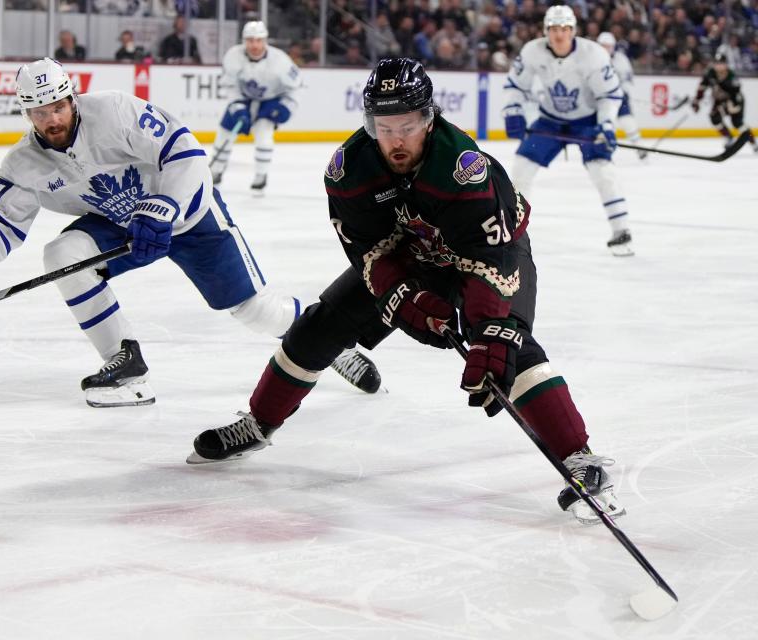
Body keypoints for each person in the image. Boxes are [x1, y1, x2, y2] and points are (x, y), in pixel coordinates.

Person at [187, 57, 626, 526]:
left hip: (488, 257)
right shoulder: (348, 171)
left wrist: (491, 325)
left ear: (429, 118)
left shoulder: (464, 167)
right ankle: (258, 423)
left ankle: (581, 460)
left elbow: (491, 258)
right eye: (384, 125)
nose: (396, 138)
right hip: (413, 256)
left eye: (409, 124)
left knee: (505, 347)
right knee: (320, 326)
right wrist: (404, 298)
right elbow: (371, 254)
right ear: (368, 122)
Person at [0, 58, 381, 409]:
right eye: (40, 112)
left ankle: (331, 341)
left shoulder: (114, 111)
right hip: (123, 227)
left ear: (72, 98)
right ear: (27, 113)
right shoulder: (24, 162)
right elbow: (3, 218)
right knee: (62, 255)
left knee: (257, 312)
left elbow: (185, 151)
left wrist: (163, 207)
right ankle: (127, 366)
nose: (52, 118)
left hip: (190, 214)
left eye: (58, 105)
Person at [502, 5, 632, 256]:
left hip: (587, 120)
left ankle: (621, 230)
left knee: (602, 171)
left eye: (564, 29)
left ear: (573, 30)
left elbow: (609, 95)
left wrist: (606, 124)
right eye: (553, 29)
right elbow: (515, 85)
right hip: (550, 120)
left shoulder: (593, 55)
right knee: (521, 167)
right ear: (545, 31)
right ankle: (511, 229)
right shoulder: (532, 51)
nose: (559, 35)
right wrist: (512, 109)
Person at [208, 21, 302, 195]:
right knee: (224, 132)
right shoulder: (233, 56)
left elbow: (295, 87)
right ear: (244, 40)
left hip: (272, 100)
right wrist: (237, 107)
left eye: (259, 40)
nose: (255, 45)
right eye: (250, 40)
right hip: (244, 99)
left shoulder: (280, 60)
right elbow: (230, 86)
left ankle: (261, 176)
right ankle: (216, 171)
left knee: (264, 133)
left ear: (265, 41)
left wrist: (286, 108)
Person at [691, 52, 758, 153]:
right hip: (720, 100)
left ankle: (753, 143)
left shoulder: (731, 76)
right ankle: (728, 137)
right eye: (717, 63)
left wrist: (721, 88)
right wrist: (697, 101)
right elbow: (702, 88)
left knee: (737, 123)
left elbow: (735, 91)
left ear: (726, 64)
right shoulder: (710, 73)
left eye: (721, 63)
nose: (719, 66)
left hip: (734, 100)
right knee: (714, 117)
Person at [597, 32, 644, 159]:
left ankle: (639, 147)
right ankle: (600, 150)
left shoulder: (621, 59)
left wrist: (622, 92)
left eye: (608, 46)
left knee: (627, 121)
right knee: (602, 124)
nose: (606, 49)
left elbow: (628, 79)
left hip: (618, 96)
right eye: (603, 46)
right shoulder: (592, 59)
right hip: (598, 98)